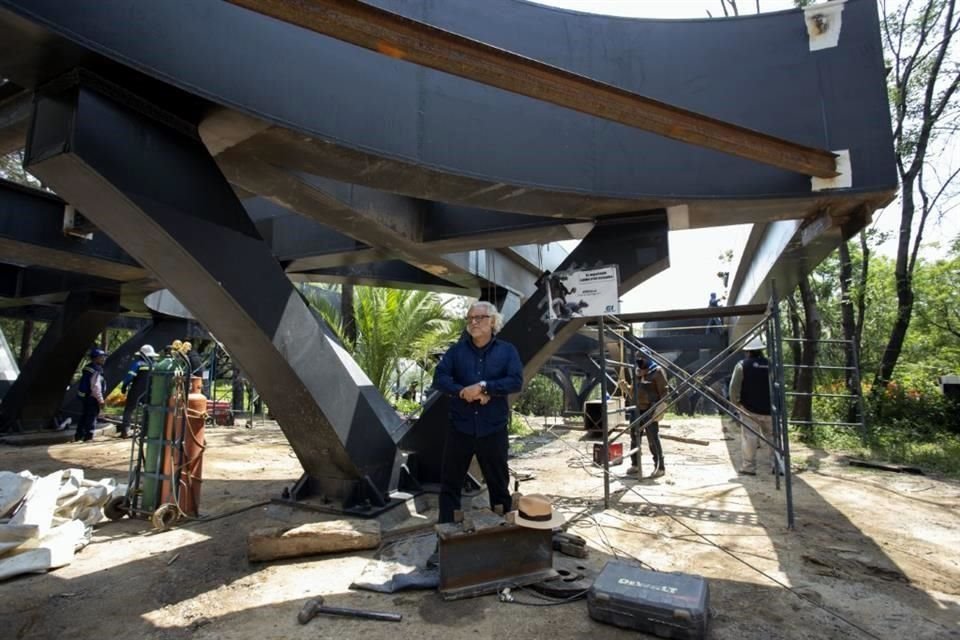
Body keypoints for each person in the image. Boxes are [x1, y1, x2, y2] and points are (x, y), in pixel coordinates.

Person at [433, 301, 523, 527]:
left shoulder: (507, 351)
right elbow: (440, 378)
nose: (473, 322)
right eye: (470, 318)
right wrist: (463, 391)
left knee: (498, 485)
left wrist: (485, 388)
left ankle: (503, 532)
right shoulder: (456, 351)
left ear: (492, 321)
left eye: (479, 318)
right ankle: (446, 534)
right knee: (450, 485)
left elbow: (515, 381)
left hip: (493, 429)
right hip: (460, 428)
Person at [728, 337, 776, 476]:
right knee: (774, 438)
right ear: (761, 350)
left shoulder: (742, 365)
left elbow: (734, 388)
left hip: (749, 409)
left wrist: (736, 405)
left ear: (747, 351)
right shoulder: (771, 364)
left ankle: (749, 467)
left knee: (750, 438)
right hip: (770, 409)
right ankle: (778, 466)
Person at [628, 354, 668, 478]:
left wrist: (661, 407)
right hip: (636, 409)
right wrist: (627, 388)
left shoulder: (657, 372)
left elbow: (664, 391)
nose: (640, 361)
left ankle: (659, 467)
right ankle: (635, 464)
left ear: (647, 359)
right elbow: (634, 390)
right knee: (634, 437)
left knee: (652, 439)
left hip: (650, 409)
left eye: (642, 359)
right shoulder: (637, 372)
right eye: (638, 359)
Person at [118, 344, 157, 438]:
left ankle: (125, 431)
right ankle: (145, 431)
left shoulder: (138, 364)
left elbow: (129, 377)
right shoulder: (156, 365)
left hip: (136, 390)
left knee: (129, 409)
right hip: (150, 391)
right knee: (147, 410)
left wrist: (124, 386)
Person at [75, 347, 107, 442]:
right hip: (92, 397)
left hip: (85, 396)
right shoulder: (96, 370)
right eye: (102, 357)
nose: (104, 359)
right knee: (91, 417)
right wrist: (100, 400)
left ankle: (79, 436)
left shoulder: (88, 367)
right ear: (96, 358)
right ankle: (88, 436)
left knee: (84, 415)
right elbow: (96, 386)